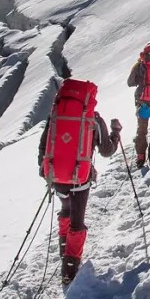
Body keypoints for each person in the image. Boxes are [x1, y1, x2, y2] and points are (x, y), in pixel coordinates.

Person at [38, 77, 121, 286]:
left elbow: (44, 147)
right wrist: (116, 133)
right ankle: (70, 269)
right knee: (77, 220)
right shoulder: (93, 119)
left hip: (57, 176)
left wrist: (46, 171)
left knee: (65, 210)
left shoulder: (55, 117)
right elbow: (106, 151)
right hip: (80, 178)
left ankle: (64, 249)